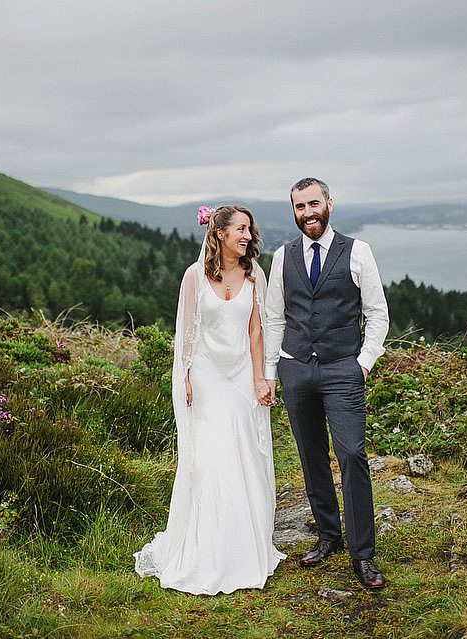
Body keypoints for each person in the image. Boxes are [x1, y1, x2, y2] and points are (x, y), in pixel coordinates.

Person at [134, 204, 285, 595]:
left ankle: (243, 550)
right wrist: (183, 374)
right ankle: (205, 552)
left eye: (249, 230)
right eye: (240, 230)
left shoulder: (255, 274)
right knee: (211, 459)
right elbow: (185, 329)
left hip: (238, 377)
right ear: (219, 233)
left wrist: (260, 379)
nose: (248, 237)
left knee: (243, 455)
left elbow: (257, 332)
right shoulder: (194, 276)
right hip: (204, 375)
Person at [263, 177, 390, 590]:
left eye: (313, 204)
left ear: (329, 204)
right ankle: (328, 535)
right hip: (296, 368)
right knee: (311, 456)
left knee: (352, 453)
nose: (307, 213)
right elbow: (274, 318)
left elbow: (377, 314)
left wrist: (363, 364)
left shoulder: (357, 251)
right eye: (299, 207)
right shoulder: (282, 257)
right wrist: (275, 370)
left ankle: (363, 554)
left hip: (343, 370)